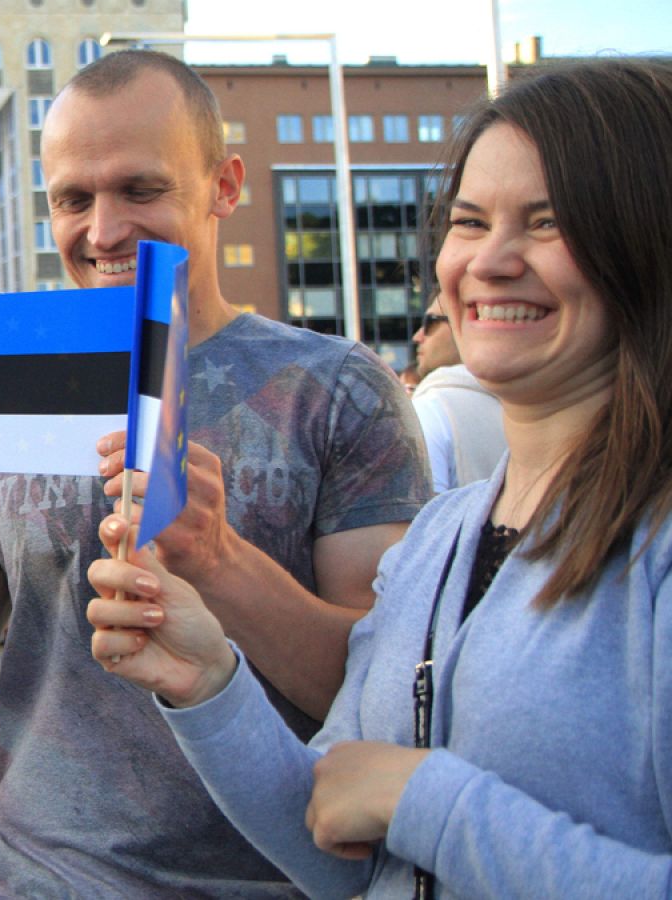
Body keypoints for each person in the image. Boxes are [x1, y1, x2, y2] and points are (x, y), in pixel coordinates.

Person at [88, 57, 672, 898]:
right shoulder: (443, 536)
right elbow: (339, 846)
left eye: (547, 223)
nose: (491, 260)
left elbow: (404, 809)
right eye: (470, 222)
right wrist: (205, 681)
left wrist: (426, 798)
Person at [0, 49, 431, 896]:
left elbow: (382, 693)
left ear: (225, 187)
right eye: (73, 198)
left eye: (141, 189)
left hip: (276, 878)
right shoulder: (0, 384)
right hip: (33, 875)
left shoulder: (340, 389)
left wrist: (220, 559)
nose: (102, 230)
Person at [412, 292, 507, 491]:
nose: (418, 336)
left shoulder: (431, 408)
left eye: (430, 322)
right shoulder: (532, 404)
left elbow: (422, 517)